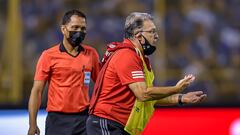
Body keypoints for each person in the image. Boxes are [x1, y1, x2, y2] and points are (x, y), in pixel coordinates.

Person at [86, 12, 207, 135]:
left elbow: (150, 98)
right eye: (152, 32)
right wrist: (176, 89)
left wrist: (181, 98)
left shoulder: (139, 58)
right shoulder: (127, 55)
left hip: (117, 126)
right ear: (138, 35)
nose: (156, 36)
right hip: (107, 124)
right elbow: (143, 94)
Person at [28, 9, 100, 135]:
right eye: (75, 27)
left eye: (83, 28)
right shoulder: (48, 56)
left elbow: (102, 85)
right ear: (63, 29)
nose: (79, 32)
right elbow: (37, 91)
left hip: (83, 120)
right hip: (57, 121)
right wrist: (32, 124)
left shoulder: (91, 54)